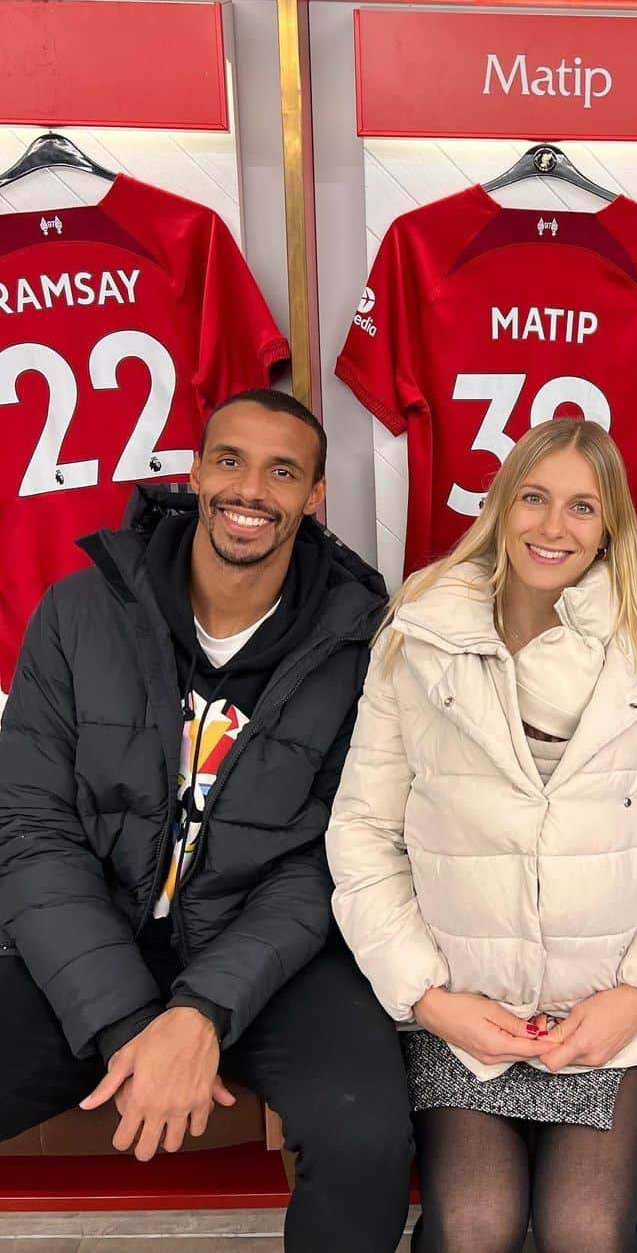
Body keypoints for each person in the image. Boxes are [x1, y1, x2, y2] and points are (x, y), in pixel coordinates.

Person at [0, 389, 412, 1253]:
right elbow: (30, 831)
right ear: (194, 472)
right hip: (94, 937)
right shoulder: (80, 613)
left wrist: (203, 1012)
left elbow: (331, 860)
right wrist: (128, 1023)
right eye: (230, 460)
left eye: (283, 470)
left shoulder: (364, 642)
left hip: (269, 951)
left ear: (315, 497)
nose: (250, 488)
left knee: (366, 1132)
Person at [327, 417, 637, 1253]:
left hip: (609, 1016)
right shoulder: (419, 632)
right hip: (463, 1011)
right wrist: (429, 996)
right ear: (501, 505)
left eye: (582, 507)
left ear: (611, 525)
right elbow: (362, 832)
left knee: (586, 1228)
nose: (554, 527)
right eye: (535, 498)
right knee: (474, 1225)